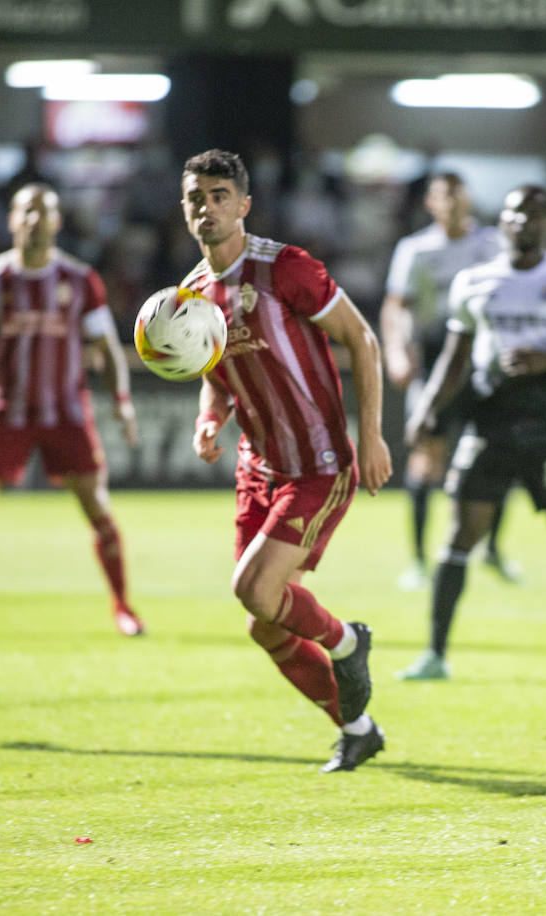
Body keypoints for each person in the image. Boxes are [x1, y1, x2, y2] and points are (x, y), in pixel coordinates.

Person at [183, 148, 392, 773]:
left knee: (254, 588)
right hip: (258, 468)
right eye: (197, 197)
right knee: (266, 625)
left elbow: (362, 338)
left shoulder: (286, 268)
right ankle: (357, 726)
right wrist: (208, 417)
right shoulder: (193, 294)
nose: (208, 207)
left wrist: (373, 435)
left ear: (244, 206)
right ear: (185, 210)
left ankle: (349, 641)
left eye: (221, 196)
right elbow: (216, 374)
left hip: (319, 465)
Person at [400, 185, 546, 683]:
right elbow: (455, 354)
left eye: (535, 215)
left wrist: (544, 360)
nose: (524, 222)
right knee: (460, 536)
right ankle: (435, 654)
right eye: (515, 214)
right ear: (504, 222)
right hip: (488, 422)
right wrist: (428, 408)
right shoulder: (475, 281)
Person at [0, 183, 143, 638]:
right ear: (12, 220)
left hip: (66, 411)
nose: (35, 220)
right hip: (6, 409)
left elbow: (108, 346)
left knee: (97, 508)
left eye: (44, 212)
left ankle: (123, 607)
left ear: (57, 221)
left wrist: (122, 403)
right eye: (26, 211)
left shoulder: (81, 280)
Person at [380, 172, 519, 591]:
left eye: (460, 195)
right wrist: (395, 352)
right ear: (430, 203)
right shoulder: (416, 249)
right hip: (437, 357)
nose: (454, 203)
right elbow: (395, 306)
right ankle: (419, 562)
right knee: (427, 454)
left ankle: (492, 548)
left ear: (470, 199)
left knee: (503, 452)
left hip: (486, 358)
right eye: (445, 196)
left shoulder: (493, 244)